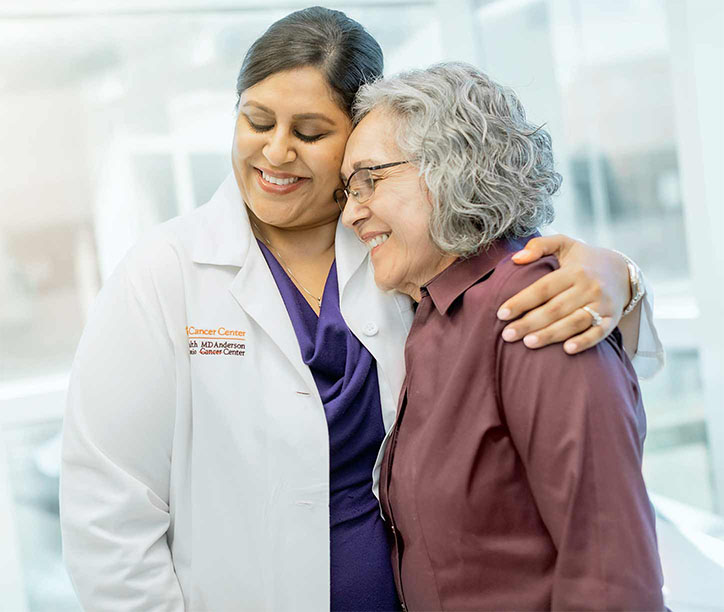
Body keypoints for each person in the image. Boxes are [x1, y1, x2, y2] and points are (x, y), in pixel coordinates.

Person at [60, 7, 662, 612]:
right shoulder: (163, 273)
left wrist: (623, 279)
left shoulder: (408, 249)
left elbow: (533, 287)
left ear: (358, 137)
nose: (276, 151)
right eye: (256, 121)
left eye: (311, 133)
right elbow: (108, 508)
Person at [340, 62, 665, 610]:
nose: (352, 211)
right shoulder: (433, 316)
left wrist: (625, 276)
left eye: (369, 180)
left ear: (451, 166)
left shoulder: (534, 309)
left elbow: (611, 579)